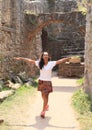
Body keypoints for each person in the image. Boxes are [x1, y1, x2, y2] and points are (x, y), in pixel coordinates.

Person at [14, 52, 70, 118]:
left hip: (48, 82)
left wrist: (66, 59)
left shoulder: (51, 63)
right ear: (42, 56)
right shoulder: (39, 63)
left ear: (48, 56)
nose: (45, 56)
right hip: (41, 81)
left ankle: (43, 111)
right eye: (44, 55)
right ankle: (46, 105)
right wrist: (21, 58)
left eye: (46, 55)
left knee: (46, 96)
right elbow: (30, 61)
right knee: (43, 95)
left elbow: (59, 61)